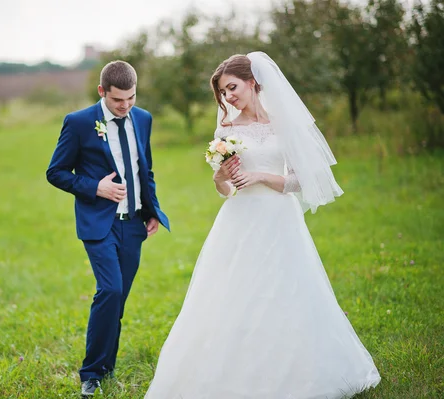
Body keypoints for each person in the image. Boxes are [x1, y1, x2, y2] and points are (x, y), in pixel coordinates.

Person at [144, 52, 380, 399]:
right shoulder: (226, 128)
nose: (228, 97)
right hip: (239, 220)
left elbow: (302, 180)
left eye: (232, 88)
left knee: (286, 291)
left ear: (253, 82)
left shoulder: (284, 123)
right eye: (223, 92)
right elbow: (225, 190)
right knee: (232, 294)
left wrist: (262, 176)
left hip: (279, 218)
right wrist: (220, 177)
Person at [46, 60, 170, 397]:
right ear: (102, 92)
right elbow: (56, 172)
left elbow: (146, 169)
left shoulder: (143, 119)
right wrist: (95, 188)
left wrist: (151, 210)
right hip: (99, 225)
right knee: (110, 291)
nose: (126, 105)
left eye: (131, 98)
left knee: (119, 298)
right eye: (118, 100)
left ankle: (106, 367)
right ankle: (92, 374)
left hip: (134, 226)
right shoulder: (80, 123)